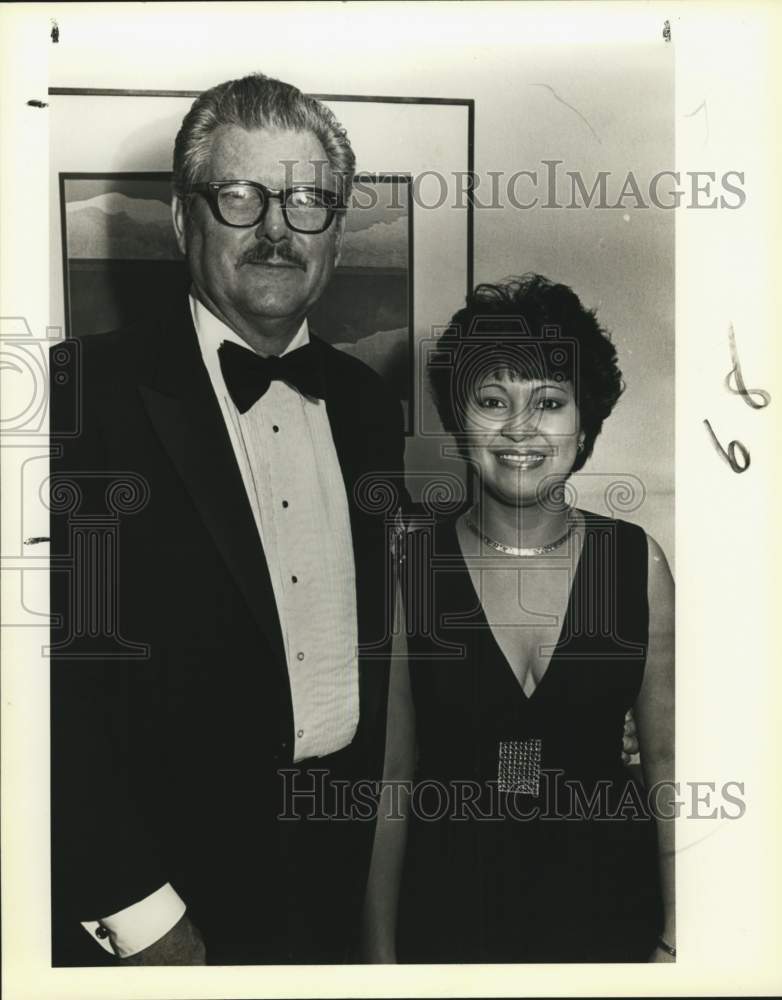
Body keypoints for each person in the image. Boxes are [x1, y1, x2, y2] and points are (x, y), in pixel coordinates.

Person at [49, 72, 407, 966]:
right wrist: (137, 914)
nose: (278, 231)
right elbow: (44, 689)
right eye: (241, 197)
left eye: (308, 202)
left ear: (336, 229)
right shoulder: (77, 397)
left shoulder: (368, 405)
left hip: (338, 888)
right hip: (161, 908)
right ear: (183, 220)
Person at [380, 274, 675, 963]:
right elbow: (389, 782)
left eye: (548, 402)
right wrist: (377, 959)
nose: (519, 429)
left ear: (585, 420)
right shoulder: (409, 568)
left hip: (610, 916)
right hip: (450, 915)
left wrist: (676, 936)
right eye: (491, 400)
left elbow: (667, 763)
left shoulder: (637, 564)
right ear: (458, 419)